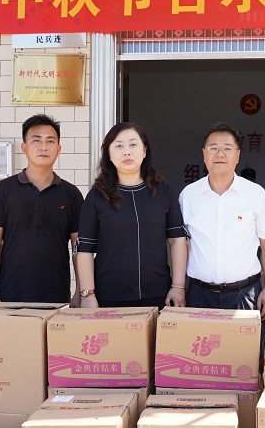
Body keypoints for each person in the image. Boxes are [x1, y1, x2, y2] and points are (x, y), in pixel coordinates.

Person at [75, 122, 188, 308]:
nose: (127, 152)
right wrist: (88, 296)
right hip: (109, 297)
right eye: (119, 146)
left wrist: (178, 287)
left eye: (133, 144)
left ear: (144, 151)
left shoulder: (163, 191)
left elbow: (177, 240)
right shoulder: (97, 195)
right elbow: (85, 249)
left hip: (157, 295)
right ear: (109, 155)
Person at [179, 122, 265, 321]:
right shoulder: (188, 195)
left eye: (227, 149)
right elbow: (182, 245)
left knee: (245, 344)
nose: (220, 154)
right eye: (213, 148)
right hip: (199, 294)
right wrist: (178, 287)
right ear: (204, 154)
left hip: (245, 294)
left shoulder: (255, 194)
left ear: (237, 155)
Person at [0, 114, 83, 303]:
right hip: (9, 296)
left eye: (50, 141)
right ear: (24, 148)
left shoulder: (71, 194)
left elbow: (79, 247)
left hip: (57, 296)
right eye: (36, 140)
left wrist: (80, 290)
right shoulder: (3, 190)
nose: (43, 147)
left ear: (59, 149)